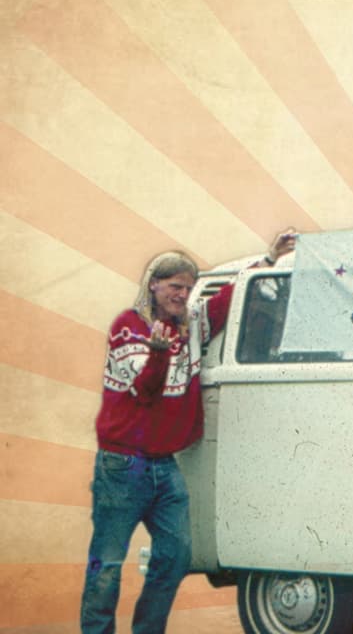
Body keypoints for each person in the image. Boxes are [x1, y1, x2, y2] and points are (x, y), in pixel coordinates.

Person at [82, 229, 296, 634]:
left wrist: (269, 260)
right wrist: (159, 354)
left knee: (176, 555)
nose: (182, 295)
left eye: (188, 288)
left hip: (165, 465)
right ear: (153, 285)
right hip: (123, 465)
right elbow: (145, 391)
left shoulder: (192, 322)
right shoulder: (129, 327)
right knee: (107, 563)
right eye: (174, 286)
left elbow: (229, 298)